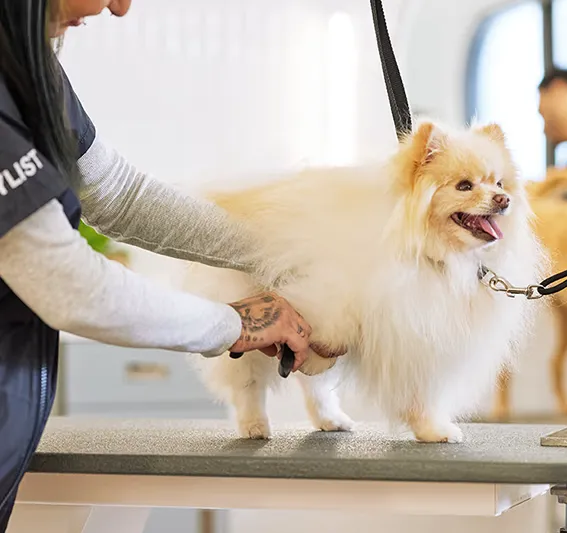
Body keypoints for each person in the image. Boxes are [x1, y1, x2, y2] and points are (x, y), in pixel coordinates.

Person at [0, 1, 344, 529]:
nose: (117, 7)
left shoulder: (29, 63)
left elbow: (117, 194)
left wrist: (279, 260)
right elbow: (72, 286)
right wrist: (236, 323)